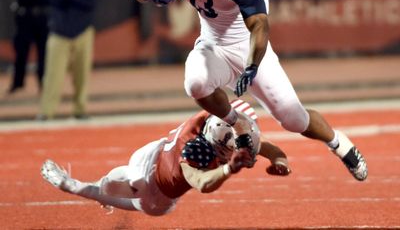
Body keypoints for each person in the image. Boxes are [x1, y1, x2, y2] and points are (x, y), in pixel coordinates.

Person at [132, 0, 368, 181]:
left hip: (248, 45)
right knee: (195, 83)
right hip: (213, 44)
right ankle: (239, 123)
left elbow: (259, 25)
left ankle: (340, 144)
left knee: (294, 120)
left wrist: (252, 65)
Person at [41, 100, 291, 216]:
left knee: (119, 183)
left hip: (154, 173)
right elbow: (203, 183)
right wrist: (228, 170)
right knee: (118, 186)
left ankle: (84, 187)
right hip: (157, 177)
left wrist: (280, 162)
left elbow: (269, 148)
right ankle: (85, 188)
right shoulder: (196, 150)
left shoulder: (215, 122)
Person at [37, 0, 95, 120]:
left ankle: (80, 109)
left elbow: (90, 2)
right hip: (59, 32)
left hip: (82, 31)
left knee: (82, 74)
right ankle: (47, 111)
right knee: (53, 75)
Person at [8, 0, 48, 94]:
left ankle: (43, 82)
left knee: (43, 53)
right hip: (25, 17)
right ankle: (18, 83)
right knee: (21, 51)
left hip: (41, 17)